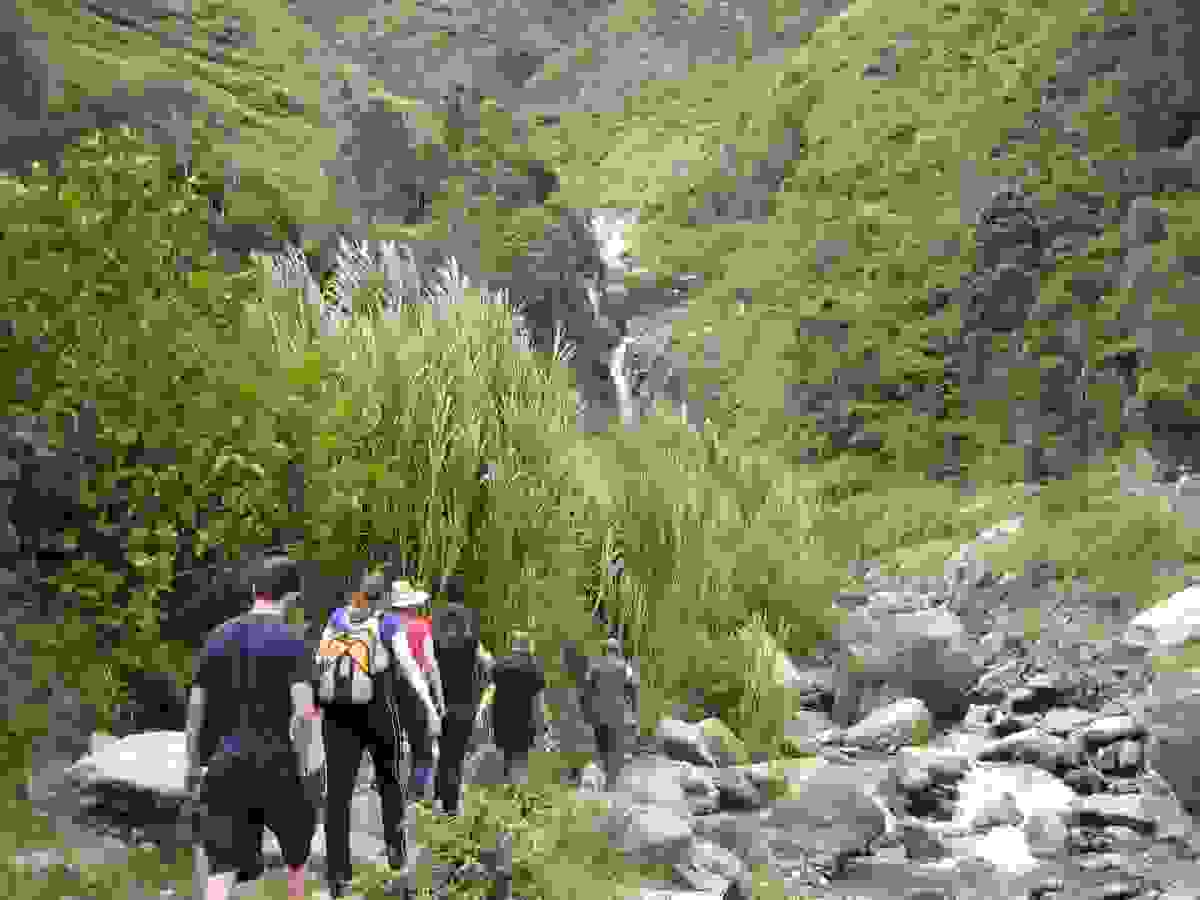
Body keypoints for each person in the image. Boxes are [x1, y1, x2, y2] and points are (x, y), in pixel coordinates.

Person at [184, 554, 323, 900]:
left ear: (254, 590)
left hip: (225, 763)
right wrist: (307, 768)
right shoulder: (293, 641)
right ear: (292, 596)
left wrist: (192, 765)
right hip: (278, 764)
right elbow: (304, 713)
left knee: (221, 870)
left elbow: (196, 708)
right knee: (296, 859)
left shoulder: (217, 636)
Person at [316, 571, 441, 899]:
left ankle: (338, 875)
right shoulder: (387, 624)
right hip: (377, 714)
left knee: (338, 794)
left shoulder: (337, 618)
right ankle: (395, 854)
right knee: (389, 782)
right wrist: (428, 706)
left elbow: (319, 661)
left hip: (337, 716)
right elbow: (411, 668)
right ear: (384, 598)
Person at [429, 576, 494, 816]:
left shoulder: (435, 621)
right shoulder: (471, 622)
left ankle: (436, 799)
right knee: (454, 757)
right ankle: (450, 807)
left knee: (442, 752)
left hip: (439, 701)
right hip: (465, 704)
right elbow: (486, 664)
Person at [388, 578, 445, 801]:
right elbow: (431, 665)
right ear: (411, 605)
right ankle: (416, 794)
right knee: (421, 747)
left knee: (391, 742)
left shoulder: (383, 625)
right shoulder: (421, 627)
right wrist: (438, 699)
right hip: (415, 690)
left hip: (389, 690)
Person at [490, 632, 547, 786]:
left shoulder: (499, 665)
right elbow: (538, 700)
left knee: (506, 758)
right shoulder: (534, 668)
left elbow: (491, 693)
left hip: (501, 720)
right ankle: (518, 793)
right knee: (521, 760)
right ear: (528, 647)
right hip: (525, 721)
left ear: (513, 646)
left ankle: (507, 788)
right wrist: (543, 724)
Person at [584, 637, 640, 791]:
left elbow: (587, 689)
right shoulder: (625, 667)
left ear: (605, 650)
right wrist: (633, 709)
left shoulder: (595, 666)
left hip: (598, 714)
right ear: (617, 651)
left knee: (601, 745)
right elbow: (633, 688)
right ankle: (611, 783)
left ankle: (601, 779)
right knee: (615, 747)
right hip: (618, 714)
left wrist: (587, 710)